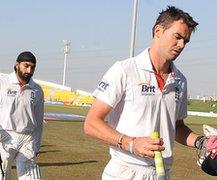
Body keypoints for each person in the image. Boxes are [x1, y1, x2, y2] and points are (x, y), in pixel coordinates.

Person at [84, 6, 201, 179]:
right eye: (177, 37)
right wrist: (131, 144)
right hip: (125, 172)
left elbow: (176, 127)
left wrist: (201, 142)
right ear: (158, 31)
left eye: (186, 41)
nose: (181, 45)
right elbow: (91, 123)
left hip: (162, 173)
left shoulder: (180, 80)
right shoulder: (124, 69)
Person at [0, 51, 44, 180]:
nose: (29, 70)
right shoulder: (0, 82)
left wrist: (37, 145)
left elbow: (39, 121)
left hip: (27, 139)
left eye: (33, 67)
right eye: (26, 65)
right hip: (3, 136)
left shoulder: (37, 89)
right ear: (17, 65)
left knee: (33, 177)